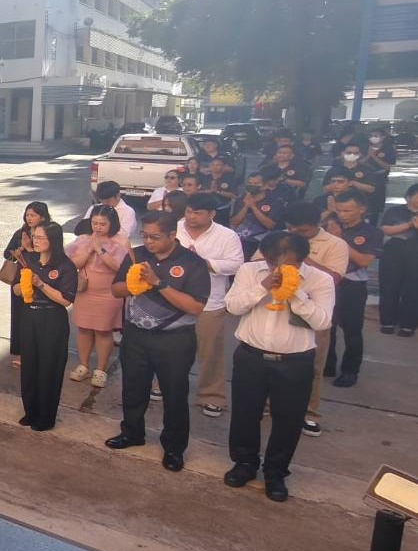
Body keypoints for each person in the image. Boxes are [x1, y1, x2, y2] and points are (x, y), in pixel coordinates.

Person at [223, 232, 335, 503]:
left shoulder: (320, 280)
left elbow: (322, 322)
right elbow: (233, 306)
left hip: (295, 361)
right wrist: (262, 287)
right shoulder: (251, 271)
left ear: (301, 259)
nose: (279, 269)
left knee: (288, 419)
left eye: (288, 264)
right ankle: (245, 463)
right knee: (245, 413)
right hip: (251, 356)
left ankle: (276, 472)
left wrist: (295, 292)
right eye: (273, 262)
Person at [104, 211, 211, 473]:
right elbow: (116, 289)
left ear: (173, 235)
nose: (149, 242)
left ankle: (174, 448)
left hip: (174, 341)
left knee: (174, 394)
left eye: (155, 237)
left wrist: (157, 283)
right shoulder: (137, 255)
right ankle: (132, 432)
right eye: (145, 236)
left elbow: (196, 307)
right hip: (137, 336)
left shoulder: (192, 263)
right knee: (133, 388)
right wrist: (134, 284)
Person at [177, 193, 247, 419]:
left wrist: (203, 263)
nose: (191, 217)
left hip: (210, 301)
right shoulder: (175, 228)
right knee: (170, 347)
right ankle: (163, 384)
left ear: (212, 214)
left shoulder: (227, 236)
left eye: (197, 213)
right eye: (189, 211)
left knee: (210, 352)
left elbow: (237, 264)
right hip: (174, 298)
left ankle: (211, 395)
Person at [284, 201, 349, 437]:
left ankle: (308, 411)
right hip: (279, 310)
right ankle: (272, 404)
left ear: (316, 225)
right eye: (291, 229)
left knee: (313, 365)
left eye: (301, 232)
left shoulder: (335, 244)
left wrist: (301, 257)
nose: (294, 234)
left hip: (314, 310)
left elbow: (334, 278)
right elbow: (255, 264)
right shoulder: (279, 239)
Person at [19, 221, 78, 431]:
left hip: (52, 321)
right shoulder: (30, 260)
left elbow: (65, 300)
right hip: (30, 318)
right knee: (29, 368)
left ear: (53, 240)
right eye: (35, 237)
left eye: (41, 238)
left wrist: (41, 285)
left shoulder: (65, 266)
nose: (36, 241)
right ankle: (30, 411)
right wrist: (22, 285)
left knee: (48, 369)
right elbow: (19, 290)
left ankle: (45, 416)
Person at [67, 205, 129, 387]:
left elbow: (120, 267)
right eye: (95, 223)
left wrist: (100, 250)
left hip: (108, 293)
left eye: (102, 224)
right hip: (86, 290)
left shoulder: (121, 241)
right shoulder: (83, 238)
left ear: (112, 224)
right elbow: (72, 263)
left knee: (103, 330)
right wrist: (89, 249)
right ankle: (83, 364)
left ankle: (101, 369)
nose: (98, 227)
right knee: (84, 328)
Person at [326, 190, 383, 387]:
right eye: (340, 210)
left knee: (352, 330)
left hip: (352, 285)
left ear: (362, 209)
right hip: (329, 282)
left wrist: (339, 239)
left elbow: (364, 261)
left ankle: (350, 370)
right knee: (326, 326)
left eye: (348, 210)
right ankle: (327, 363)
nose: (343, 214)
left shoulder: (371, 233)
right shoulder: (330, 225)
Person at [1, 202, 50, 366]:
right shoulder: (21, 232)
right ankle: (21, 353)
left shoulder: (48, 233)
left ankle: (39, 353)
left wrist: (29, 249)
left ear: (42, 217)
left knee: (37, 317)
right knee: (20, 317)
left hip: (40, 278)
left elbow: (49, 258)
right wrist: (18, 250)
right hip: (20, 278)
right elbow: (7, 253)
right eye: (27, 215)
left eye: (33, 215)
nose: (29, 218)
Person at [378, 183, 418, 337]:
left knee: (413, 290)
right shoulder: (394, 211)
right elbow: (385, 230)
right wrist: (409, 225)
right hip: (393, 255)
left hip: (415, 256)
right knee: (389, 288)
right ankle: (387, 322)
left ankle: (408, 325)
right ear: (408, 197)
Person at [230, 171, 283, 260]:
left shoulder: (274, 201)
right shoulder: (241, 199)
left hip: (262, 241)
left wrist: (253, 207)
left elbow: (270, 225)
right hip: (241, 239)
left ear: (265, 185)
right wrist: (246, 206)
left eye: (256, 183)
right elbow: (235, 222)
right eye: (250, 183)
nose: (252, 186)